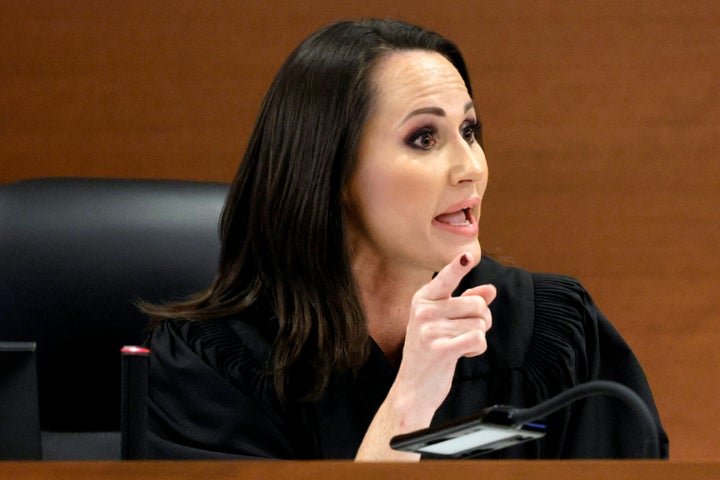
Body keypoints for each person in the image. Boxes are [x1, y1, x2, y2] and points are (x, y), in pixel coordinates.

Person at [141, 18, 669, 460]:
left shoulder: (552, 329)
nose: (471, 168)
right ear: (333, 173)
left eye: (469, 132)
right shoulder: (213, 363)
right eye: (424, 138)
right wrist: (412, 394)